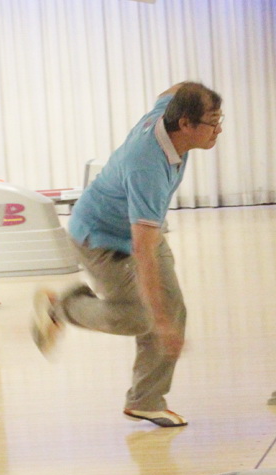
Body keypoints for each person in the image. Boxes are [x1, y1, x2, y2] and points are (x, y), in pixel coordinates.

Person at [31, 81, 224, 427]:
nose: (218, 130)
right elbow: (143, 253)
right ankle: (62, 308)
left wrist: (166, 318)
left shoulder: (168, 112)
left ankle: (145, 401)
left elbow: (174, 89)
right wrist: (160, 324)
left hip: (138, 230)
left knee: (171, 309)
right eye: (212, 122)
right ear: (185, 123)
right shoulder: (146, 167)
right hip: (101, 239)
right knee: (140, 318)